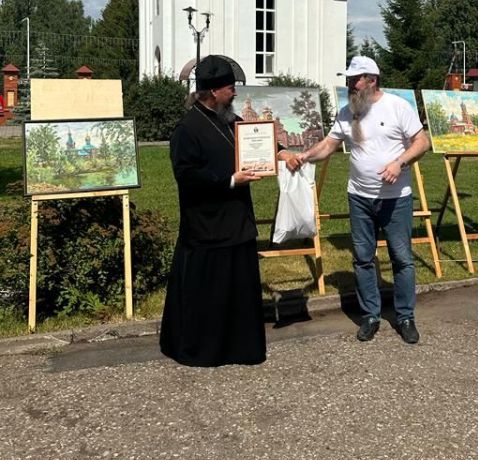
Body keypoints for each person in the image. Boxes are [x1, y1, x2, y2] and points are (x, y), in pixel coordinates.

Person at [160, 54, 299, 367]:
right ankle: (207, 349)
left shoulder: (230, 120)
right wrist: (229, 181)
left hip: (237, 221)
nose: (235, 92)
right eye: (230, 88)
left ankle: (240, 347)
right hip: (206, 224)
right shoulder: (188, 128)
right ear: (212, 92)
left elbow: (257, 143)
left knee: (237, 287)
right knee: (210, 291)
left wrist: (282, 153)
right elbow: (186, 174)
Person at [296, 56, 430, 344]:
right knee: (363, 258)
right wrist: (306, 156)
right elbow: (330, 144)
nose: (350, 85)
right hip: (359, 197)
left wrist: (400, 163)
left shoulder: (397, 107)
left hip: (396, 199)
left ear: (372, 80)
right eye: (348, 80)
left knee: (402, 259)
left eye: (355, 80)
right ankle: (370, 315)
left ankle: (405, 316)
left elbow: (422, 142)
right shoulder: (347, 112)